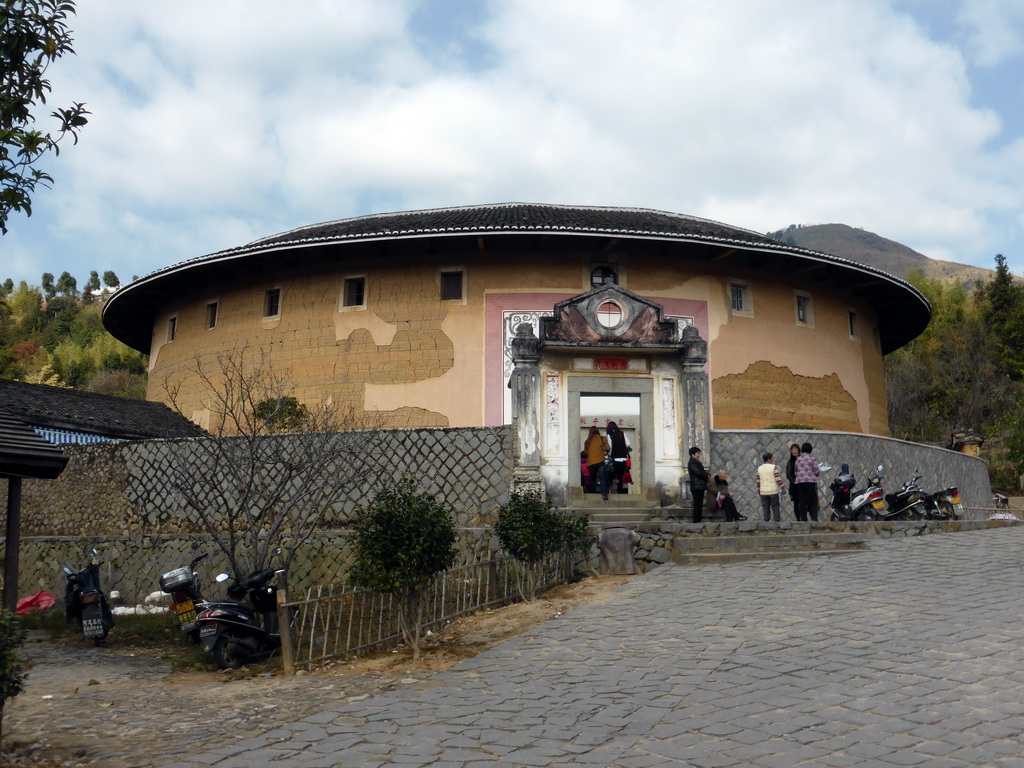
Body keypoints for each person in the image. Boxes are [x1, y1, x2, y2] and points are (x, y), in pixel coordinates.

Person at [794, 442, 820, 522]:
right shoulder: (812, 458)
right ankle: (814, 518)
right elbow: (816, 472)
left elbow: (795, 472)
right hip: (810, 482)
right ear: (810, 449)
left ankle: (803, 519)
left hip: (799, 482)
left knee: (802, 501)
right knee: (813, 500)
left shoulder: (798, 459)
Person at [756, 452, 786, 522]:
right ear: (769, 459)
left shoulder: (759, 468)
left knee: (765, 507)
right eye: (772, 458)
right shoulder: (773, 467)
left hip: (763, 492)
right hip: (773, 491)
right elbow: (778, 479)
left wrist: (759, 490)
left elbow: (758, 481)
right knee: (775, 507)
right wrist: (783, 487)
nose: (772, 460)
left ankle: (766, 522)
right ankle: (776, 522)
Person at [584, 426, 611, 500]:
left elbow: (585, 452)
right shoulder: (603, 438)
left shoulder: (587, 441)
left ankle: (592, 495)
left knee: (592, 479)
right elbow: (608, 448)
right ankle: (604, 494)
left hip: (591, 463)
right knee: (603, 478)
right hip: (600, 461)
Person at [606, 421, 631, 494]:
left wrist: (609, 456)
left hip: (614, 459)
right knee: (620, 477)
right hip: (623, 459)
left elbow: (610, 448)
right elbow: (628, 444)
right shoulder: (622, 434)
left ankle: (611, 492)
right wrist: (622, 446)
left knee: (611, 477)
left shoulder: (609, 435)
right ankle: (619, 492)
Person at [687, 446, 709, 523]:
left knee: (699, 504)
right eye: (697, 453)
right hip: (697, 486)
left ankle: (698, 520)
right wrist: (707, 477)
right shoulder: (692, 463)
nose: (699, 455)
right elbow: (698, 472)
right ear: (692, 455)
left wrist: (707, 475)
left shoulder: (696, 462)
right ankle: (696, 521)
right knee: (697, 504)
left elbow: (702, 472)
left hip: (699, 486)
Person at [785, 443, 800, 518]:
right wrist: (795, 482)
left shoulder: (802, 459)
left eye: (795, 449)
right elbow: (788, 475)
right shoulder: (790, 462)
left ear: (799, 450)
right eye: (792, 450)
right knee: (796, 503)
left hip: (804, 485)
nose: (794, 451)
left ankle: (804, 518)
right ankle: (798, 520)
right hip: (794, 487)